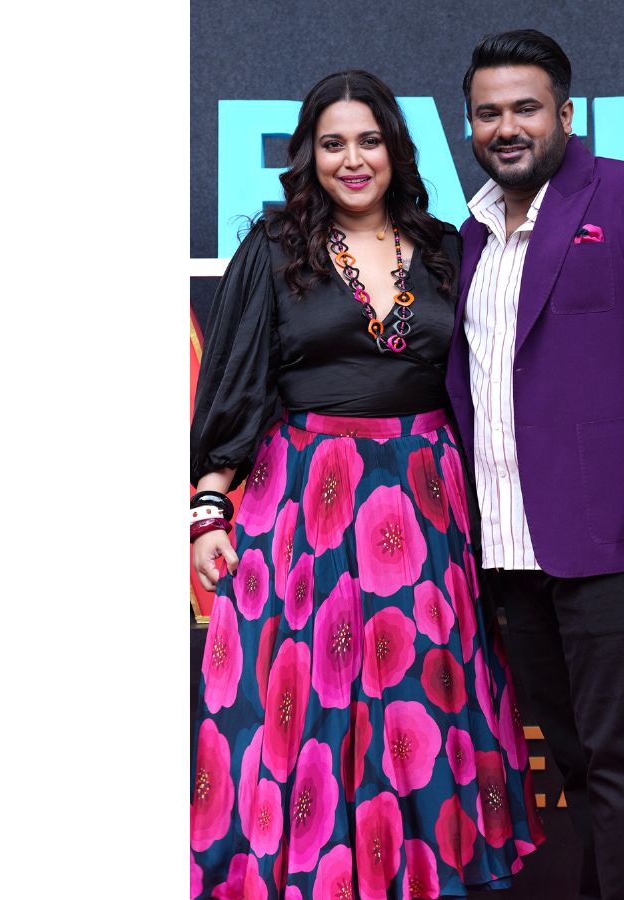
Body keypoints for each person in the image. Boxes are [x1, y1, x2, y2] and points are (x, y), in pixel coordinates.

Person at [189, 69, 543, 900]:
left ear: (396, 149)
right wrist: (207, 506)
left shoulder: (450, 249)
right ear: (309, 156)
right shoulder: (275, 250)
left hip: (425, 504)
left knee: (419, 699)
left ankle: (417, 878)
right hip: (303, 503)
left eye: (369, 141)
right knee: (306, 712)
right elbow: (236, 384)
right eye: (333, 144)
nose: (352, 160)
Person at [445, 31, 624, 900]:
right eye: (489, 113)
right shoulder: (472, 235)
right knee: (574, 756)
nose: (507, 127)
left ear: (566, 114)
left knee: (622, 756)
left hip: (617, 539)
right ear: (469, 125)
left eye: (526, 108)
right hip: (508, 549)